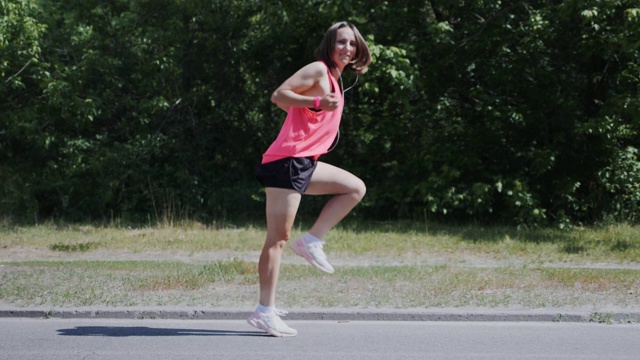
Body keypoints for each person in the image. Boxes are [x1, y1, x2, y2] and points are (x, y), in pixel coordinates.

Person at [246, 21, 372, 337]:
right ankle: (265, 311)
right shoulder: (318, 70)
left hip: (305, 163)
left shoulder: (336, 78)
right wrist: (316, 102)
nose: (347, 48)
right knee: (277, 239)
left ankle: (313, 240)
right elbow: (279, 95)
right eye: (341, 42)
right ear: (330, 44)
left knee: (355, 188)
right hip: (286, 162)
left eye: (352, 44)